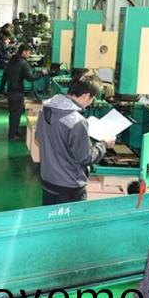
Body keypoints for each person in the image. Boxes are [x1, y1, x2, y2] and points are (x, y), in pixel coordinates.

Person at [35, 74, 115, 205]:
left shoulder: (45, 107)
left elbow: (38, 136)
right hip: (70, 187)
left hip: (48, 180)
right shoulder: (77, 121)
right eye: (92, 97)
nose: (92, 101)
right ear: (86, 95)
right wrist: (104, 144)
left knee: (51, 216)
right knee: (72, 218)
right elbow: (85, 158)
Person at [0, 44, 48, 141]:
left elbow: (4, 77)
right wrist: (42, 73)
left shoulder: (11, 61)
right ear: (24, 52)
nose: (29, 54)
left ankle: (14, 131)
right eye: (29, 52)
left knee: (13, 113)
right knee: (16, 114)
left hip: (10, 92)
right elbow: (30, 78)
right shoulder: (23, 63)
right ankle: (12, 135)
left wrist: (1, 90)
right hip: (17, 93)